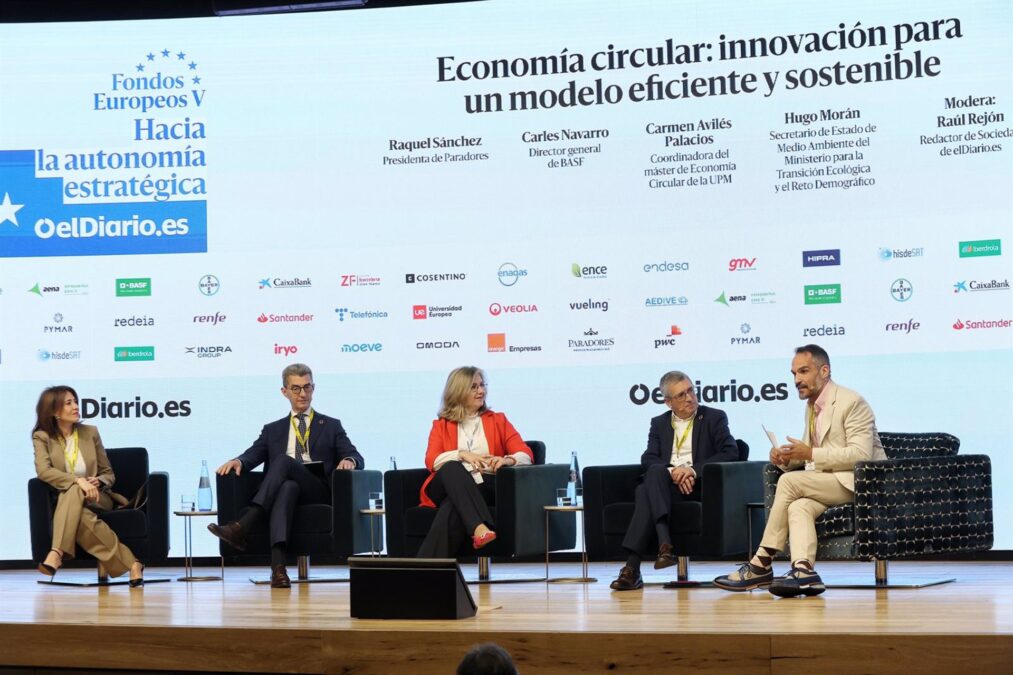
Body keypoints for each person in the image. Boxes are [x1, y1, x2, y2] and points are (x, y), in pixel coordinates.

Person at [714, 344, 885, 597]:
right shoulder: (813, 406)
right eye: (794, 374)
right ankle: (804, 571)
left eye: (803, 371)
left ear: (824, 371)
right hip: (829, 480)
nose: (797, 380)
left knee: (790, 482)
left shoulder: (852, 402)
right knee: (799, 506)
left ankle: (761, 563)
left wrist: (809, 453)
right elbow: (811, 455)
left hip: (862, 483)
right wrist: (784, 459)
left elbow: (861, 455)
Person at [208, 363, 364, 588]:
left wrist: (350, 460)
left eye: (307, 387)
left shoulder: (331, 425)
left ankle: (244, 525)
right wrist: (238, 461)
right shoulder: (273, 429)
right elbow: (253, 454)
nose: (303, 394)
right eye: (296, 388)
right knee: (287, 487)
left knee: (282, 461)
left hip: (316, 490)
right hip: (284, 490)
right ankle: (278, 571)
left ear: (313, 388)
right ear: (285, 392)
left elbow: (355, 455)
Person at [609, 370, 740, 591]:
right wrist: (672, 472)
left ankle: (635, 566)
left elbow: (731, 452)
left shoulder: (714, 417)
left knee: (644, 491)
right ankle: (663, 547)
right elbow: (648, 457)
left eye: (691, 391)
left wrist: (692, 471)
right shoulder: (659, 423)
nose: (689, 398)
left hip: (696, 487)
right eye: (681, 395)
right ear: (668, 402)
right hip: (666, 484)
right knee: (655, 472)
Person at [32, 385, 145, 586]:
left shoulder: (90, 432)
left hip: (98, 497)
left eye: (75, 401)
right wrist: (78, 480)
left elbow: (108, 473)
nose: (76, 406)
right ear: (54, 411)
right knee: (81, 514)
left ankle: (57, 552)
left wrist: (98, 481)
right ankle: (133, 563)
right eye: (69, 403)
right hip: (69, 499)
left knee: (75, 495)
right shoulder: (42, 437)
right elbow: (44, 471)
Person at [416, 366, 532, 558]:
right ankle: (479, 527)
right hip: (445, 484)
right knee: (452, 467)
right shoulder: (441, 425)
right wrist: (462, 454)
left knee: (452, 507)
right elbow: (432, 461)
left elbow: (526, 454)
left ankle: (424, 570)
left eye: (482, 385)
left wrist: (507, 459)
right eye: (474, 387)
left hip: (484, 484)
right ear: (459, 391)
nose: (481, 391)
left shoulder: (498, 420)